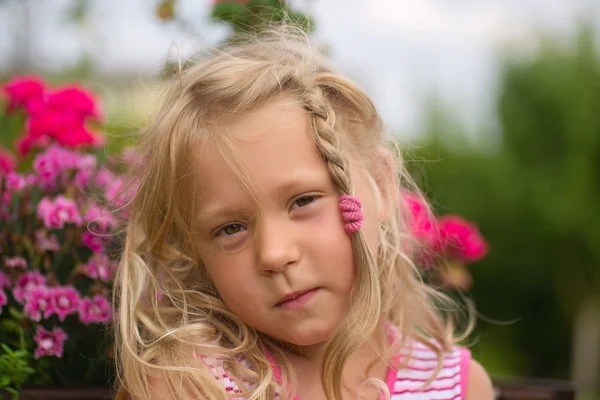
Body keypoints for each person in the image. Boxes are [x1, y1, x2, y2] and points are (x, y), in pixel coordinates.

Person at [113, 27, 495, 400]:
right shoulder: (188, 387)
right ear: (195, 248)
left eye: (303, 201)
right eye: (230, 228)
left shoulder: (454, 386)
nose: (275, 255)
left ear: (380, 185)